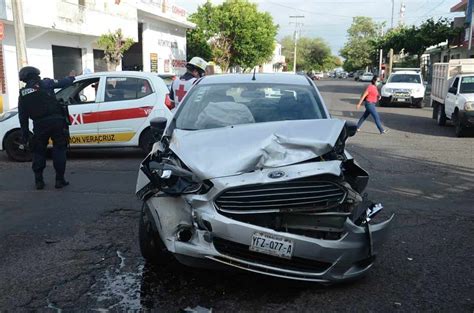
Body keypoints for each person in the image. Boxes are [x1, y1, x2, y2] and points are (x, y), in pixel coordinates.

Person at [18, 66, 75, 190]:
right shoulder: (46, 83)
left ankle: (39, 181)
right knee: (59, 149)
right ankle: (59, 180)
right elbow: (65, 82)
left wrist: (25, 135)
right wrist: (71, 76)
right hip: (57, 122)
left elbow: (23, 117)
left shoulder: (23, 94)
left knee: (39, 151)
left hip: (39, 125)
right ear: (36, 75)